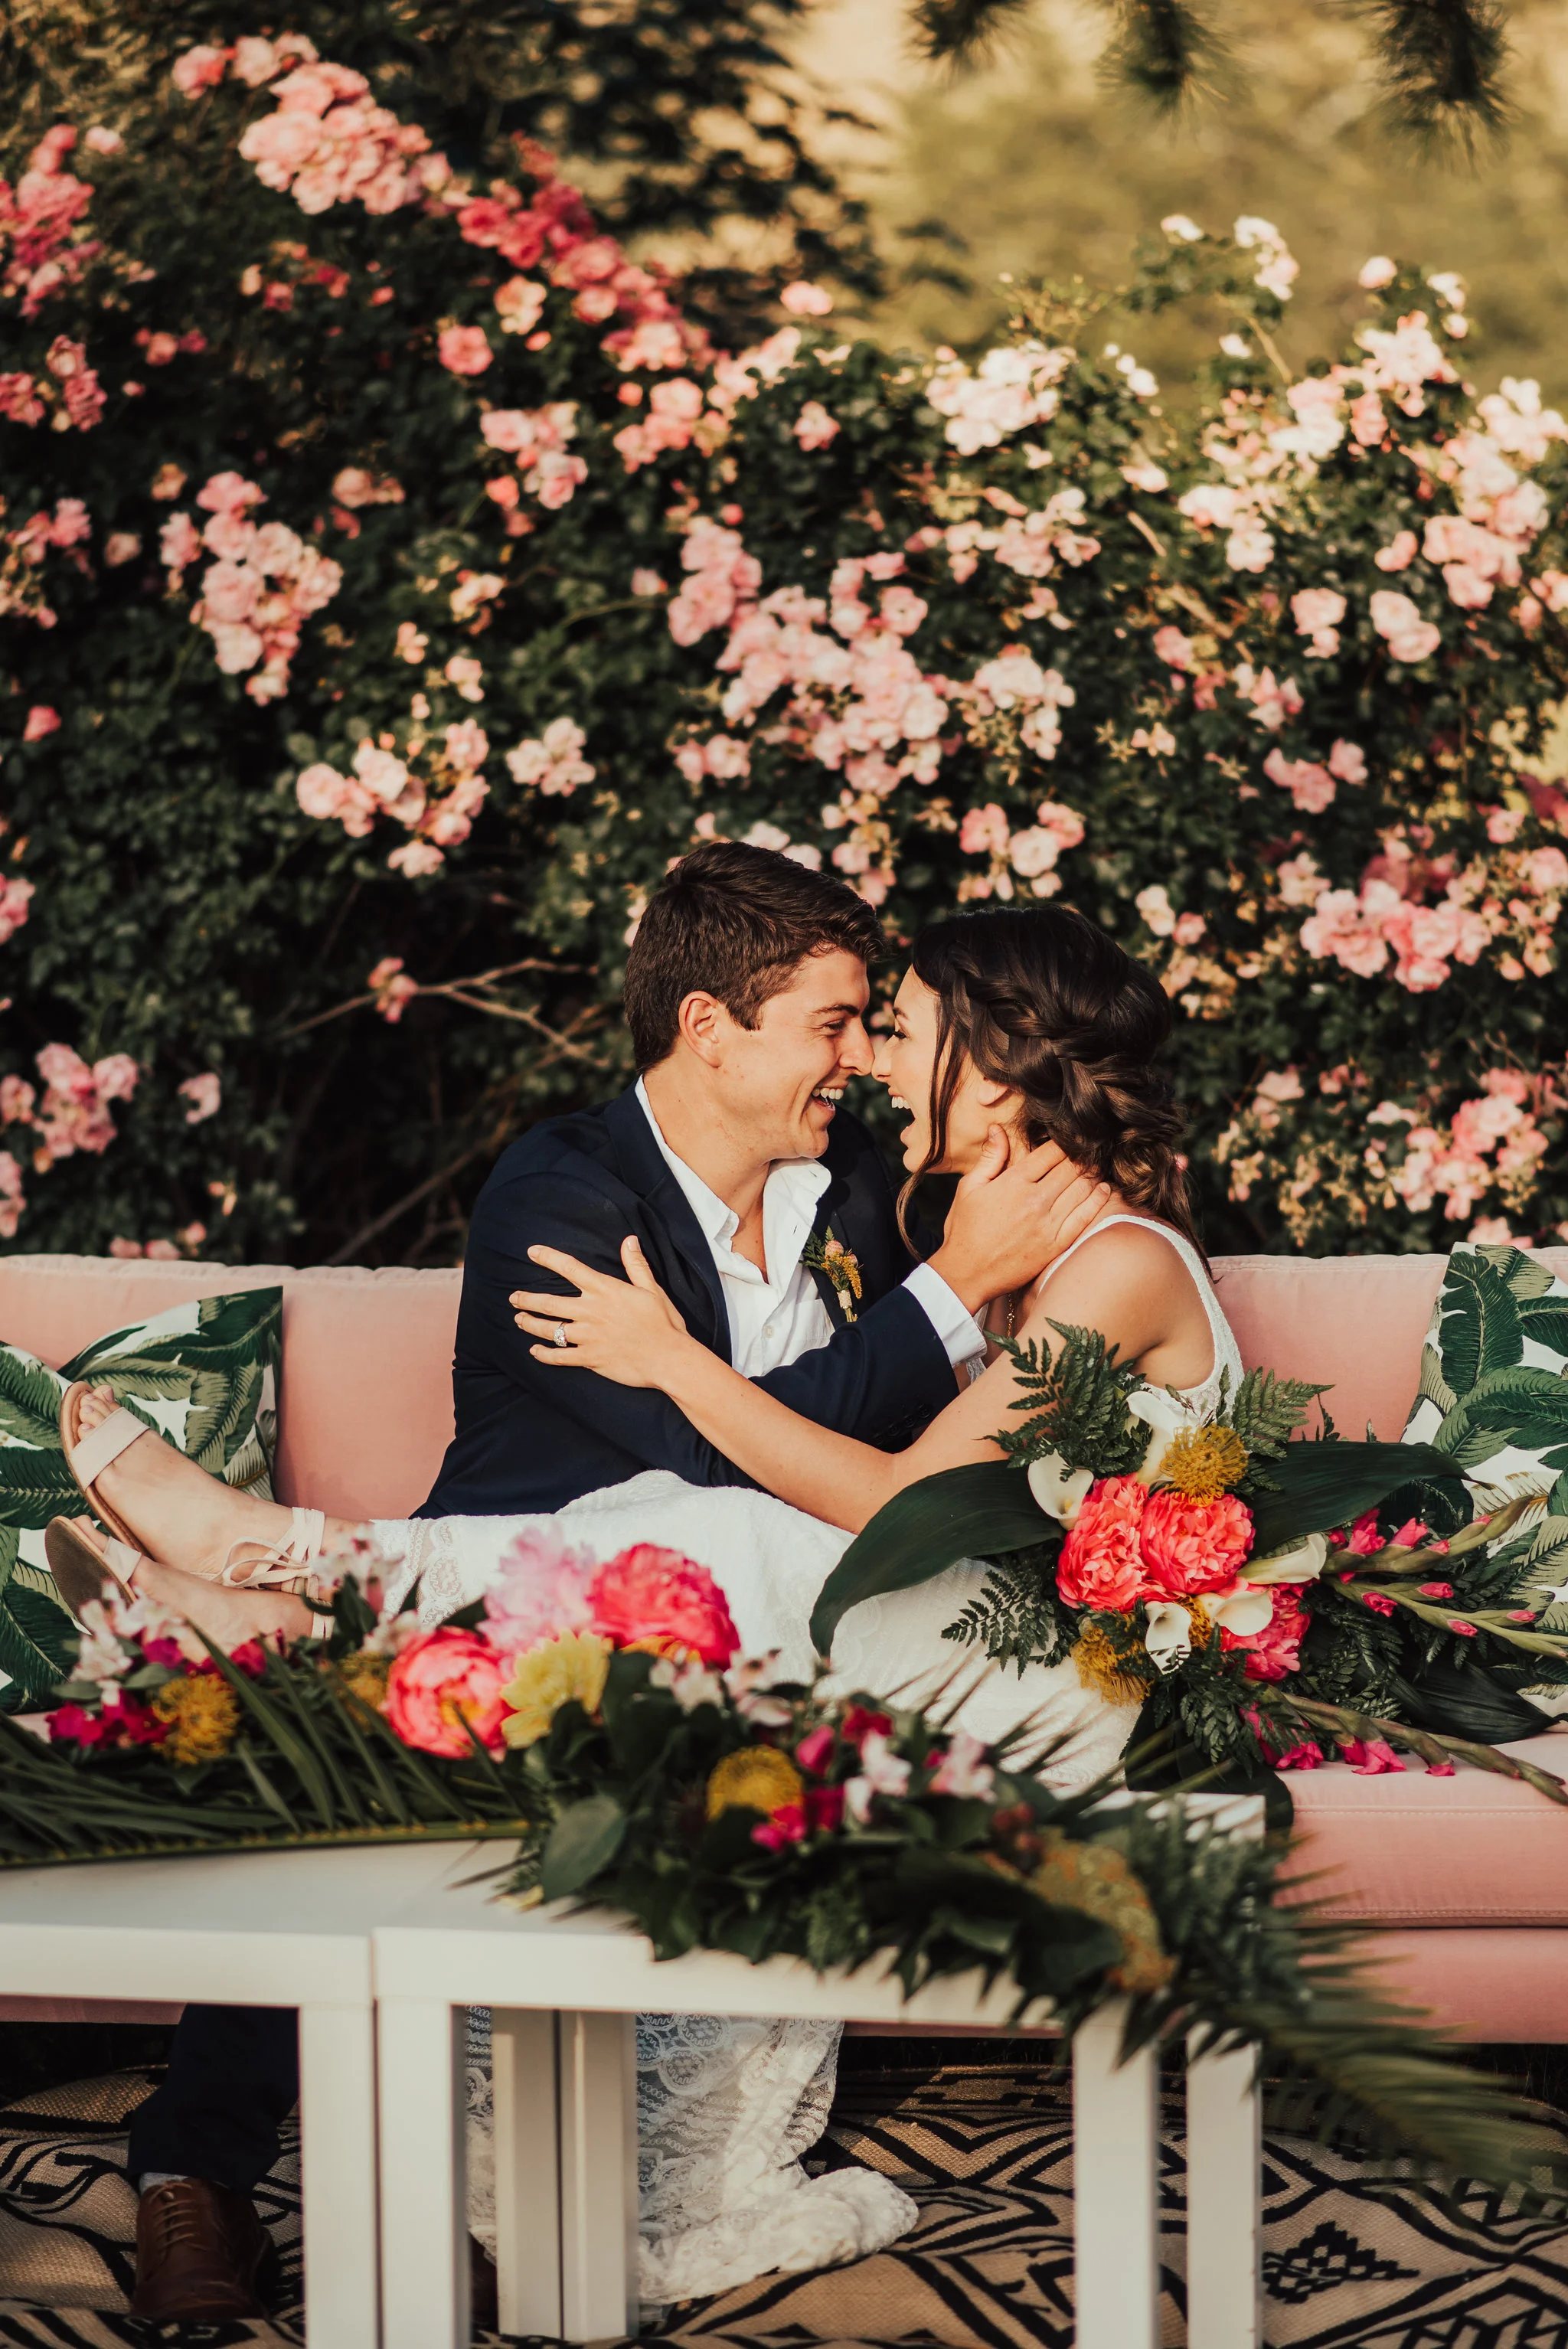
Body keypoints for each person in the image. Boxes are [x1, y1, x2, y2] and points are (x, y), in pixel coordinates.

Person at [48, 846, 1110, 2323]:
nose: (861, 1063)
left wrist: (984, 1261)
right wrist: (939, 1303)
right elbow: (693, 1446)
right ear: (706, 1029)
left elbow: (885, 1422)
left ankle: (282, 1574)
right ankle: (191, 2174)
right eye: (836, 1024)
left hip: (746, 1638)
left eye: (874, 1024)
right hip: (537, 1621)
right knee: (353, 1742)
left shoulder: (860, 1188)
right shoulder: (560, 1190)